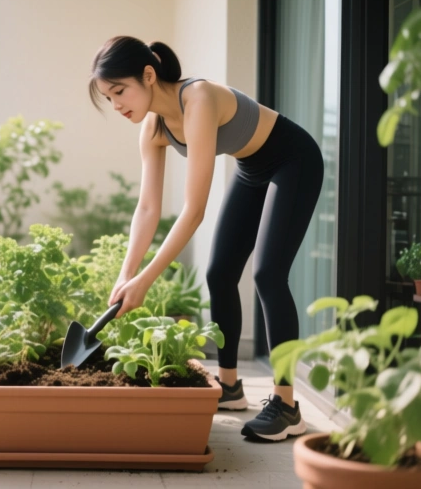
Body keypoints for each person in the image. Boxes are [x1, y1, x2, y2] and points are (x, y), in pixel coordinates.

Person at [90, 36, 323, 442]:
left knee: (268, 275)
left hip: (294, 160)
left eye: (119, 91)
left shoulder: (197, 98)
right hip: (251, 167)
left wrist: (146, 280)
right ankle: (230, 387)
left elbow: (193, 210)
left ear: (148, 75)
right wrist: (126, 274)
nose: (117, 105)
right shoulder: (152, 127)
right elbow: (147, 208)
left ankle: (287, 406)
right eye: (108, 98)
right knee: (219, 274)